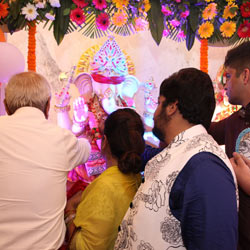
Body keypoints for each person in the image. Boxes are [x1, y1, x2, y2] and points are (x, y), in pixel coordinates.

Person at [115, 68, 238, 250]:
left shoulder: (206, 167)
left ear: (172, 107)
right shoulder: (182, 151)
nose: (155, 112)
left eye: (159, 103)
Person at [0, 72, 91, 250]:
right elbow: (86, 149)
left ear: (6, 107)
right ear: (48, 106)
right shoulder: (61, 139)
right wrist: (79, 128)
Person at [64, 108, 145, 250]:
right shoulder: (136, 177)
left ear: (105, 141)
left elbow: (83, 247)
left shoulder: (104, 187)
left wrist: (70, 211)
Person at [208, 41, 250, 250]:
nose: (225, 85)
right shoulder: (236, 120)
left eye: (228, 76)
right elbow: (205, 132)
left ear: (245, 76)